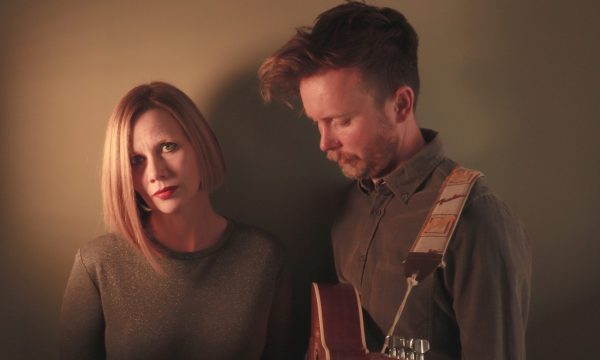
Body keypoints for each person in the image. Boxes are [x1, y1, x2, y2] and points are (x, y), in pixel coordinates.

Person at [258, 1, 531, 359]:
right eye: (317, 122)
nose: (324, 143)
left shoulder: (475, 219)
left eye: (342, 121)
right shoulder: (347, 206)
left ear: (401, 105)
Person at [60, 82, 291, 359]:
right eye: (136, 160)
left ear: (200, 145)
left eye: (168, 147)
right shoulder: (97, 264)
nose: (156, 172)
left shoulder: (264, 256)